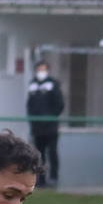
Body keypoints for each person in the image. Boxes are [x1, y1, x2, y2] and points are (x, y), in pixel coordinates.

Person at [27, 60, 65, 188]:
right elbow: (30, 104)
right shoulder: (32, 84)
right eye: (39, 69)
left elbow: (60, 104)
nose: (41, 72)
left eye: (43, 69)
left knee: (52, 152)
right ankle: (40, 179)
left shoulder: (53, 84)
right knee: (38, 154)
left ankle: (54, 177)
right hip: (37, 126)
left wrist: (51, 117)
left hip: (50, 126)